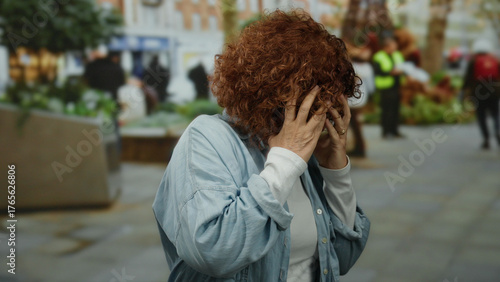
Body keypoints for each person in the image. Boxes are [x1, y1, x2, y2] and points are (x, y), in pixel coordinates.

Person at [152, 10, 370, 281]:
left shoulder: (305, 156)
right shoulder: (206, 137)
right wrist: (284, 161)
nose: (318, 115)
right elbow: (213, 252)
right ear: (269, 90)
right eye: (309, 100)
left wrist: (335, 172)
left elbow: (341, 258)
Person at [462, 39, 500, 149]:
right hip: (494, 91)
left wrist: (464, 90)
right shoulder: (495, 60)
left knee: (481, 115)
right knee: (495, 114)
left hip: (479, 92)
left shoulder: (473, 61)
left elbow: (468, 78)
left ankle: (486, 139)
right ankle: (497, 131)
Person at [372, 36, 405, 139]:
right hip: (385, 87)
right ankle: (386, 131)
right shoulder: (378, 57)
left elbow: (402, 66)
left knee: (396, 109)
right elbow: (377, 71)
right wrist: (390, 72)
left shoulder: (397, 55)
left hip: (396, 86)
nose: (395, 47)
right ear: (387, 47)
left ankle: (394, 130)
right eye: (393, 46)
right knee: (387, 110)